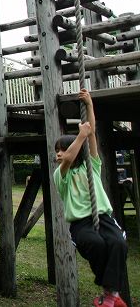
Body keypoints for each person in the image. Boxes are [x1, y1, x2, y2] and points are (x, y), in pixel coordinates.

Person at [53, 89, 128, 307]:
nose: (58, 154)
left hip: (103, 216)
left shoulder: (91, 167)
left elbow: (92, 133)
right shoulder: (61, 174)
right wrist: (80, 135)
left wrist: (89, 105)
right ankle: (110, 293)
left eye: (61, 149)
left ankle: (111, 295)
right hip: (80, 223)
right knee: (95, 244)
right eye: (56, 150)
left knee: (118, 243)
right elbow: (69, 157)